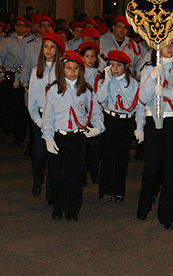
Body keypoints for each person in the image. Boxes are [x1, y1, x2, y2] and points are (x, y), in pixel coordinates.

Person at [136, 38, 173, 229]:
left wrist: (167, 92)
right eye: (165, 45)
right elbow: (143, 98)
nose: (168, 49)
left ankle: (166, 214)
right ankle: (143, 205)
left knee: (171, 169)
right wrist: (153, 76)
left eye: (172, 45)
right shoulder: (148, 68)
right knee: (152, 166)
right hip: (154, 119)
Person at [42, 51, 104, 221]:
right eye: (69, 68)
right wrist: (48, 138)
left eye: (76, 68)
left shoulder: (86, 90)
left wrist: (98, 128)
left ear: (80, 71)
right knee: (57, 174)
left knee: (76, 175)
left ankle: (72, 209)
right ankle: (58, 206)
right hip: (59, 136)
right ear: (63, 69)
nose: (72, 71)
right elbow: (48, 117)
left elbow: (95, 113)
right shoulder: (54, 90)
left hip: (78, 137)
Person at [96, 50, 142, 202]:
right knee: (108, 157)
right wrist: (107, 79)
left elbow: (139, 107)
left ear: (126, 66)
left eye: (119, 65)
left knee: (122, 157)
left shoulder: (134, 84)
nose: (115, 69)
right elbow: (100, 98)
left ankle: (119, 190)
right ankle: (105, 190)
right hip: (110, 119)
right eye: (112, 65)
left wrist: (139, 127)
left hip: (126, 122)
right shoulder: (106, 80)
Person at [28, 32, 64, 199]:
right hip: (41, 117)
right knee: (38, 153)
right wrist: (37, 119)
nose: (48, 50)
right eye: (46, 46)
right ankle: (37, 179)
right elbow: (32, 99)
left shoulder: (63, 69)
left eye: (52, 47)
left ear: (57, 50)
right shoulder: (36, 71)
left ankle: (53, 186)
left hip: (58, 118)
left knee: (55, 154)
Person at [0, 16, 29, 146]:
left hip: (23, 76)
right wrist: (2, 70)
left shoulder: (29, 41)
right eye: (18, 25)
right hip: (10, 74)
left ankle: (19, 133)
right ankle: (8, 127)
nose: (20, 27)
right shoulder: (8, 40)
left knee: (21, 106)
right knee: (9, 104)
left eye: (23, 25)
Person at [78, 41, 102, 184]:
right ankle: (82, 174)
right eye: (87, 56)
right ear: (81, 58)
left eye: (93, 56)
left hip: (95, 112)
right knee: (83, 147)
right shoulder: (77, 73)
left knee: (96, 146)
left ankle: (94, 171)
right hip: (81, 112)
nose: (90, 59)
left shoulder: (99, 74)